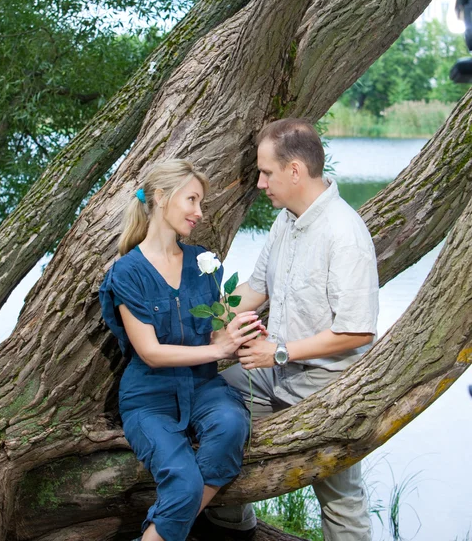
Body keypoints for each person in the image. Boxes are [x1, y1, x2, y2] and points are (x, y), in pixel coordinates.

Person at [199, 118, 379, 541]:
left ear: (295, 171)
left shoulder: (345, 234)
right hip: (268, 376)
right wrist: (205, 320)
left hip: (325, 387)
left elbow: (357, 333)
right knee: (207, 402)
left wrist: (277, 352)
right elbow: (255, 290)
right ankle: (230, 528)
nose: (260, 183)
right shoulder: (286, 221)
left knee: (340, 497)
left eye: (266, 172)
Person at [99, 160, 262, 541]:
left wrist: (240, 336)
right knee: (184, 481)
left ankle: (164, 529)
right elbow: (151, 353)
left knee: (232, 426)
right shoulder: (128, 272)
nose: (199, 212)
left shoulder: (204, 263)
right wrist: (216, 350)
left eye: (200, 202)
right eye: (192, 200)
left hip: (204, 388)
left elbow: (218, 331)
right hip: (149, 399)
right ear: (160, 197)